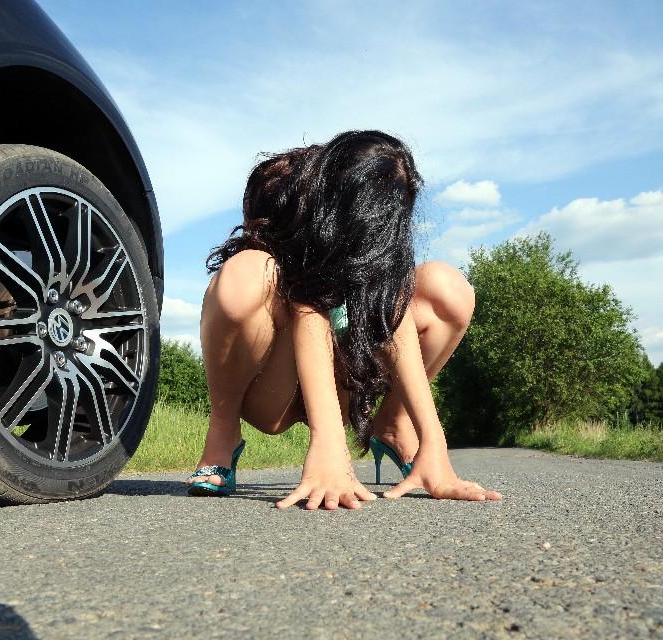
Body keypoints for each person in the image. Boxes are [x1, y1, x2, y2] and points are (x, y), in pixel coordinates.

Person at [187, 130, 502, 510]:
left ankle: (393, 426)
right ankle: (222, 433)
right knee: (249, 272)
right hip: (277, 391)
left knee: (445, 286)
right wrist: (329, 445)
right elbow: (309, 309)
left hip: (347, 384)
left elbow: (393, 322)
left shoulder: (371, 228)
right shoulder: (291, 188)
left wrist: (435, 445)